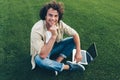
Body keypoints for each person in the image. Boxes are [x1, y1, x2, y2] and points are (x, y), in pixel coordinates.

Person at [30, 1, 85, 75]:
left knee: (73, 40)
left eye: (56, 16)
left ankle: (57, 61)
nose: (53, 19)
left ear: (59, 17)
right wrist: (53, 36)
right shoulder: (37, 29)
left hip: (55, 47)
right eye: (50, 15)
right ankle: (70, 67)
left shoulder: (60, 24)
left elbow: (75, 34)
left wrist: (78, 52)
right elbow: (42, 55)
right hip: (41, 53)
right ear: (45, 15)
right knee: (40, 61)